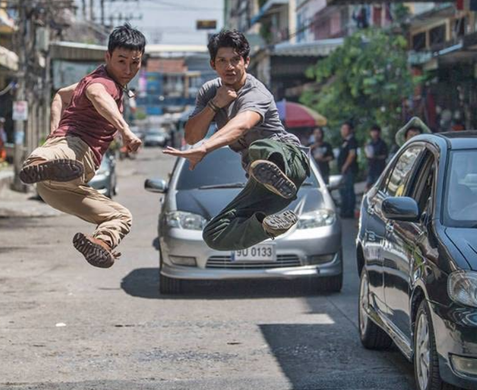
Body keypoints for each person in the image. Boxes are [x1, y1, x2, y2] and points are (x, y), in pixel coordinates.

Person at [163, 30, 309, 252]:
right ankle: (266, 225)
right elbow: (192, 136)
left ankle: (275, 174)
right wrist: (215, 104)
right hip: (261, 181)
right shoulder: (210, 91)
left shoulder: (256, 92)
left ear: (246, 61)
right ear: (213, 64)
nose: (229, 67)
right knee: (214, 233)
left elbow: (241, 125)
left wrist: (204, 148)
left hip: (290, 161)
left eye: (235, 60)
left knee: (259, 149)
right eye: (222, 61)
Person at [19, 24, 144, 268]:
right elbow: (98, 95)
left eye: (135, 62)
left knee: (121, 216)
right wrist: (125, 130)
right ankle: (40, 162)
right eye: (121, 61)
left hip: (57, 189)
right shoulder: (103, 82)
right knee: (61, 154)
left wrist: (52, 132)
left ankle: (101, 243)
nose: (128, 70)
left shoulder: (89, 81)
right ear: (107, 57)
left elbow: (60, 96)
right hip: (75, 148)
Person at [337, 121, 359, 218]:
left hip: (349, 170)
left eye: (345, 129)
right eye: (342, 129)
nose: (343, 131)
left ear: (350, 130)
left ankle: (349, 211)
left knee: (348, 190)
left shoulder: (352, 141)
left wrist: (345, 166)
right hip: (345, 170)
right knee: (344, 190)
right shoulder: (344, 141)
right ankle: (344, 210)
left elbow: (352, 154)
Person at [364, 124, 388, 191]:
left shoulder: (382, 143)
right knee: (368, 187)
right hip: (371, 168)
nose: (374, 133)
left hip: (380, 168)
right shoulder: (370, 143)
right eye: (372, 131)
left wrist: (376, 157)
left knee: (378, 187)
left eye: (376, 131)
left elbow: (385, 156)